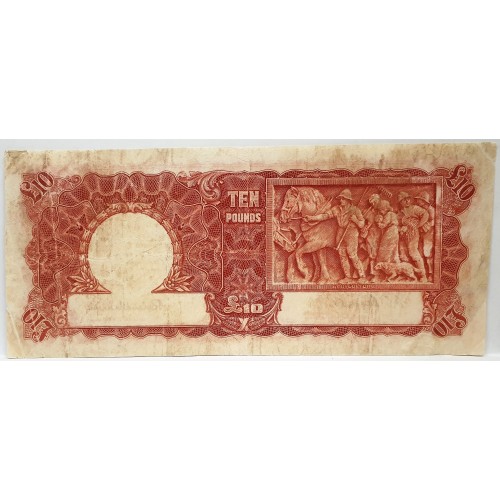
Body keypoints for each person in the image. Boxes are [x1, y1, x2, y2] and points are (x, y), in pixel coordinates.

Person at [305, 188, 367, 283]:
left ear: (348, 200)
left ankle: (362, 276)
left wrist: (356, 220)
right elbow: (325, 215)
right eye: (340, 198)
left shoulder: (355, 210)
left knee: (352, 255)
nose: (341, 200)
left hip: (351, 233)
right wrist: (312, 218)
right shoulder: (337, 209)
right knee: (342, 255)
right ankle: (348, 277)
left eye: (343, 199)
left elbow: (362, 224)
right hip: (340, 232)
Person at [397, 191, 429, 282]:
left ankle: (423, 275)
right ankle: (408, 275)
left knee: (413, 253)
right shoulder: (400, 213)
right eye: (404, 200)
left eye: (408, 199)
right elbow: (396, 224)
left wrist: (417, 226)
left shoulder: (415, 208)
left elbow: (426, 214)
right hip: (403, 236)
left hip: (413, 234)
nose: (407, 201)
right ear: (401, 202)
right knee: (403, 255)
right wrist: (400, 228)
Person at [414, 192, 435, 279]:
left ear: (423, 200)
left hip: (429, 233)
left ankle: (430, 273)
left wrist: (426, 225)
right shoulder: (419, 209)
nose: (417, 201)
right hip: (420, 233)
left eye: (418, 200)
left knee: (427, 252)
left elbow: (434, 221)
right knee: (419, 253)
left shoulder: (431, 210)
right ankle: (422, 274)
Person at [361, 193, 382, 277]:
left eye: (375, 202)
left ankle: (377, 273)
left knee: (376, 253)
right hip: (369, 234)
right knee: (370, 253)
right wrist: (364, 226)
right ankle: (372, 272)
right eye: (372, 202)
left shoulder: (381, 211)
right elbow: (363, 221)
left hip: (379, 234)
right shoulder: (368, 211)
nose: (373, 204)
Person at [375, 199, 400, 265]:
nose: (380, 212)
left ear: (385, 208)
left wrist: (378, 222)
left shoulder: (388, 214)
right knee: (394, 249)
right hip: (395, 231)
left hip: (390, 232)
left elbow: (383, 225)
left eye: (381, 210)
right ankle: (395, 263)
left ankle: (384, 264)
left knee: (384, 247)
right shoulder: (393, 214)